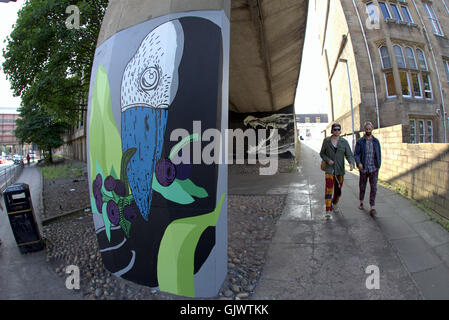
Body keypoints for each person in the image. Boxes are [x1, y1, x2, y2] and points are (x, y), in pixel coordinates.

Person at [320, 123, 355, 220]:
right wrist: (328, 160)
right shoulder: (326, 141)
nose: (336, 131)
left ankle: (334, 203)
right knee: (328, 189)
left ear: (340, 131)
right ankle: (328, 209)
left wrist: (351, 163)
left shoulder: (344, 142)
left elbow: (349, 154)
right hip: (329, 170)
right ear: (331, 131)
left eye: (338, 129)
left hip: (340, 170)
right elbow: (322, 153)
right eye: (334, 129)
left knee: (338, 190)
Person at [354, 121, 381, 216]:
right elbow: (356, 154)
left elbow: (378, 153)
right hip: (364, 168)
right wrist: (359, 163)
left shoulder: (376, 141)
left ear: (372, 129)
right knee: (362, 186)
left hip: (374, 168)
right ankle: (361, 202)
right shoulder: (360, 141)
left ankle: (372, 207)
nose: (368, 131)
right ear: (364, 129)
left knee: (374, 188)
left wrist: (378, 165)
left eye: (370, 129)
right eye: (366, 129)